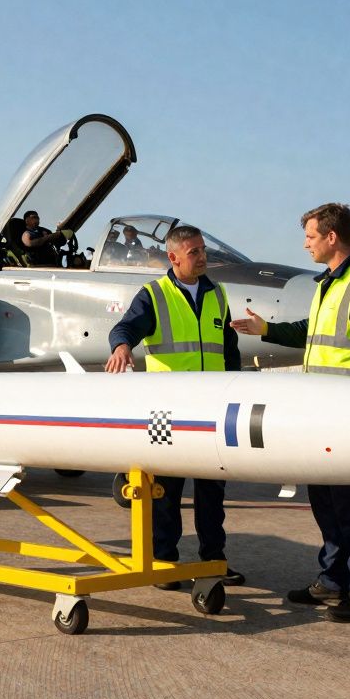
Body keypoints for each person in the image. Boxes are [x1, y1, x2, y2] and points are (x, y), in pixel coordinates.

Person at [231, 202, 350, 622]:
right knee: (326, 504)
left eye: (310, 236)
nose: (305, 244)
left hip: (346, 416)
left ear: (332, 237)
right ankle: (334, 581)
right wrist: (265, 329)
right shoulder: (328, 283)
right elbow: (312, 331)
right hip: (321, 414)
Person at [105, 225, 244, 589]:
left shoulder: (218, 294)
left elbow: (229, 349)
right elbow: (126, 328)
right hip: (167, 410)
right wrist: (121, 347)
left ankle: (214, 561)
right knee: (165, 492)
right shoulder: (154, 294)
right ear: (174, 257)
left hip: (211, 406)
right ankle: (165, 561)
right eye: (194, 252)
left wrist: (239, 386)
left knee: (212, 493)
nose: (202, 258)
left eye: (202, 250)